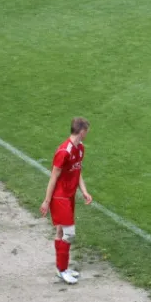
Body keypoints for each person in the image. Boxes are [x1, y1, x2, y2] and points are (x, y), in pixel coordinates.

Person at [40, 117, 92, 284]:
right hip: (60, 196)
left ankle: (61, 268)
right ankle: (62, 270)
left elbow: (77, 171)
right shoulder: (64, 151)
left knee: (61, 232)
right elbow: (53, 176)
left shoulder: (80, 149)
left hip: (69, 196)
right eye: (87, 131)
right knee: (69, 234)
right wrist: (47, 201)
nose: (88, 133)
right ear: (82, 131)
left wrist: (84, 191)